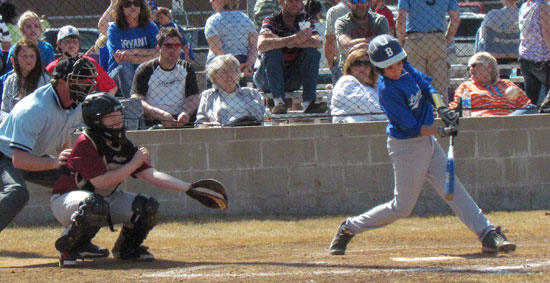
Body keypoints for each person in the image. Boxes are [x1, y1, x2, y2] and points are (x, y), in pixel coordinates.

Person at [329, 35, 516, 256]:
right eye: (389, 67)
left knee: (453, 188)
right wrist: (441, 130)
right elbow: (412, 127)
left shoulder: (406, 69)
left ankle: (487, 234)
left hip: (427, 142)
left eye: (398, 62)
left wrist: (442, 109)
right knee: (402, 208)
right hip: (406, 147)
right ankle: (349, 227)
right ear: (379, 69)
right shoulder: (387, 92)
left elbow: (427, 86)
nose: (396, 69)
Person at [50, 93, 209, 267]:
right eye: (111, 117)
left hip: (102, 199)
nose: (118, 121)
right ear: (95, 121)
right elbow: (101, 182)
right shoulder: (86, 142)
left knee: (147, 207)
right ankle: (72, 247)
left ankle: (127, 248)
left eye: (119, 115)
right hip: (66, 200)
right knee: (95, 204)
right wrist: (134, 163)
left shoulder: (122, 143)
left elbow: (151, 174)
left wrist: (188, 187)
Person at [0, 57, 97, 233]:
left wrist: (68, 167)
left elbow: (62, 139)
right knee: (17, 193)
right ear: (61, 81)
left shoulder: (75, 105)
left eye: (88, 80)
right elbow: (19, 160)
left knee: (83, 181)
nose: (86, 84)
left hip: (28, 156)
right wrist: (55, 163)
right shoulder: (36, 109)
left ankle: (77, 240)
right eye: (80, 79)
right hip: (5, 155)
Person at [254, 0, 326, 115]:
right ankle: (278, 102)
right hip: (266, 79)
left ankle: (309, 103)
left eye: (298, 1)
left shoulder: (304, 20)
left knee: (312, 53)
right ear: (281, 2)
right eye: (291, 1)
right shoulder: (271, 20)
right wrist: (295, 38)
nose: (295, 4)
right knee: (272, 53)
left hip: (291, 78)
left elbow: (318, 42)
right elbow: (261, 45)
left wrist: (279, 39)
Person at [131, 27, 200, 128]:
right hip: (154, 120)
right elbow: (136, 99)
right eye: (168, 46)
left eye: (177, 45)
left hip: (181, 120)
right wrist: (160, 115)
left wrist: (186, 113)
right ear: (158, 48)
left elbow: (193, 96)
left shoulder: (186, 68)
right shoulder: (146, 69)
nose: (173, 50)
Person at [396, 0, 460, 101]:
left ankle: (418, 113)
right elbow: (455, 19)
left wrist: (401, 41)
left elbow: (401, 20)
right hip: (437, 39)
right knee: (440, 84)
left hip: (414, 40)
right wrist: (446, 40)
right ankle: (442, 112)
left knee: (416, 83)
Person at [449, 52, 537, 117]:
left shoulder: (507, 84)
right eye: (469, 67)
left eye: (474, 65)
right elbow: (455, 108)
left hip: (510, 121)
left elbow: (526, 105)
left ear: (489, 67)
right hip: (484, 121)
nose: (471, 69)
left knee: (532, 108)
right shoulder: (466, 86)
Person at [106, 0, 159, 97]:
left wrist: (134, 51)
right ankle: (133, 101)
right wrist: (149, 56)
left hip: (145, 68)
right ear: (121, 8)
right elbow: (120, 56)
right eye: (127, 4)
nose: (132, 7)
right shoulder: (114, 29)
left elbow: (159, 52)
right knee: (124, 64)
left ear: (141, 6)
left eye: (136, 3)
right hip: (118, 74)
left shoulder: (150, 27)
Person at [46, 26, 118, 96]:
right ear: (59, 44)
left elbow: (111, 88)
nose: (71, 45)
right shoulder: (53, 66)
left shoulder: (89, 62)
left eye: (74, 41)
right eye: (67, 41)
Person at [196, 54, 265, 127]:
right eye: (224, 72)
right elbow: (199, 122)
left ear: (238, 73)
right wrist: (209, 125)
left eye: (232, 71)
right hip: (224, 133)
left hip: (252, 130)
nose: (229, 75)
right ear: (214, 77)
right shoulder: (208, 95)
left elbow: (265, 117)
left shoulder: (252, 93)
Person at [205, 0, 258, 85]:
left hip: (219, 66)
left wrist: (232, 67)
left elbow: (216, 49)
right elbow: (254, 47)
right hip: (242, 62)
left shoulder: (213, 20)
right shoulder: (246, 20)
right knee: (239, 94)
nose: (210, 2)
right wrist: (248, 64)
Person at [330, 48, 386, 123]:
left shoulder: (374, 87)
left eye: (367, 64)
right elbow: (368, 108)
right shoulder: (346, 82)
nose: (362, 68)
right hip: (349, 129)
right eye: (357, 64)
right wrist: (394, 115)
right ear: (350, 67)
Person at [1, 40, 49, 123]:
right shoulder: (10, 80)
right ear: (14, 59)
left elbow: (48, 110)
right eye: (24, 56)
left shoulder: (45, 80)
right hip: (13, 124)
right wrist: (10, 120)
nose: (29, 60)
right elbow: (4, 110)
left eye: (32, 56)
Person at [335, 0, 389, 74]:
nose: (360, 4)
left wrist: (364, 45)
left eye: (363, 0)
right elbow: (348, 45)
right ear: (348, 5)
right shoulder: (342, 22)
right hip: (350, 69)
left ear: (368, 3)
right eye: (355, 1)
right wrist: (373, 43)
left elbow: (386, 43)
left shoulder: (380, 20)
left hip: (376, 68)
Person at [475, 0, 520, 78]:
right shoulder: (524, 14)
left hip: (495, 53)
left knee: (480, 31)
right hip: (518, 52)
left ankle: (476, 62)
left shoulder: (492, 15)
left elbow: (483, 35)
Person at [518, 0, 550, 106]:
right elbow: (547, 34)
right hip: (542, 57)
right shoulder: (542, 6)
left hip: (525, 56)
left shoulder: (525, 6)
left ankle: (529, 118)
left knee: (531, 99)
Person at [324, 0, 350, 85]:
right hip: (363, 61)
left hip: (342, 63)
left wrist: (331, 64)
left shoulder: (334, 11)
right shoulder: (365, 9)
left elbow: (330, 40)